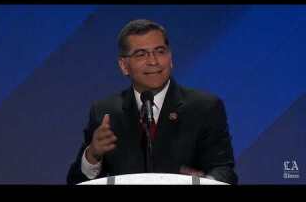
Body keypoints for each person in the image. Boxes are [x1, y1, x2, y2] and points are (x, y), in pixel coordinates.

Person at [66, 19, 238, 185]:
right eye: (141, 54)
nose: (153, 61)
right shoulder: (105, 112)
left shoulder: (204, 107)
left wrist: (205, 182)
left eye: (160, 51)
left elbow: (223, 170)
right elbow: (77, 181)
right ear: (124, 66)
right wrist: (93, 155)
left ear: (170, 59)